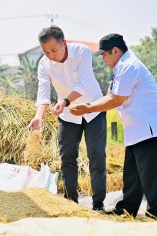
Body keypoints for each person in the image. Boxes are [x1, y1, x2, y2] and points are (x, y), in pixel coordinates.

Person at [70, 33, 157, 219]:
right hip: (136, 130)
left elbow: (116, 99)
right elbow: (110, 95)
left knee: (150, 175)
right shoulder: (121, 68)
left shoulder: (128, 66)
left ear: (115, 51)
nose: (102, 59)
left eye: (104, 54)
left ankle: (155, 212)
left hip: (148, 129)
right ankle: (126, 210)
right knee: (132, 176)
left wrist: (88, 108)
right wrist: (89, 106)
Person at [27, 26, 107, 210]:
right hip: (68, 116)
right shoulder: (44, 64)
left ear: (64, 43)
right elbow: (43, 93)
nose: (50, 55)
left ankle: (98, 204)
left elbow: (84, 83)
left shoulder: (82, 52)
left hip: (92, 109)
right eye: (45, 51)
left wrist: (64, 101)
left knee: (96, 156)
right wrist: (39, 116)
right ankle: (71, 203)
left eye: (53, 50)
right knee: (67, 157)